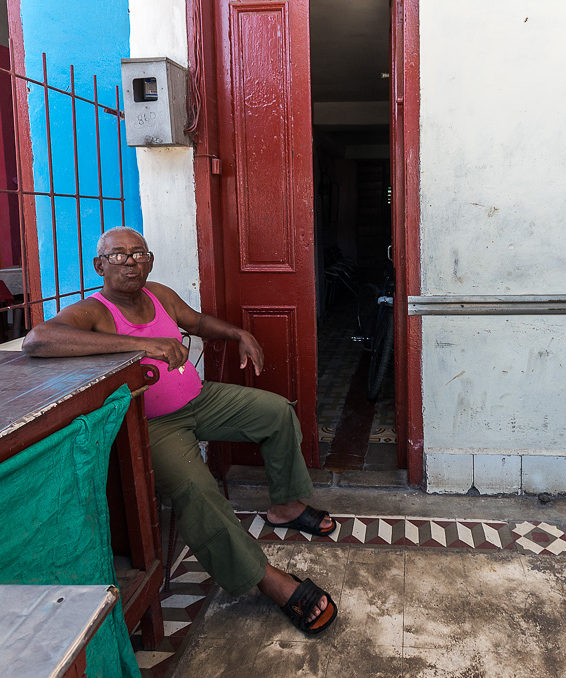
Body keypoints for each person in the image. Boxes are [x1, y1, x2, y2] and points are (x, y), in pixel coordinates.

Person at [23, 226, 337, 635]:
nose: (130, 262)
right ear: (99, 265)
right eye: (118, 255)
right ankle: (265, 580)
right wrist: (141, 346)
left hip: (199, 400)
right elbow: (37, 340)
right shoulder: (96, 311)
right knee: (197, 490)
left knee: (275, 411)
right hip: (153, 425)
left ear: (149, 261)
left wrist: (238, 333)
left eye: (139, 254)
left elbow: (198, 321)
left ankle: (285, 506)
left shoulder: (160, 294)